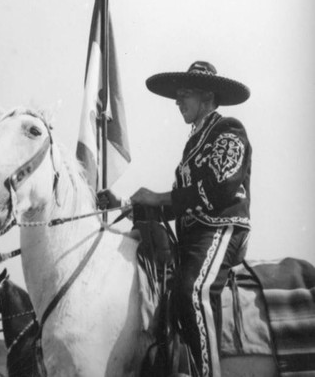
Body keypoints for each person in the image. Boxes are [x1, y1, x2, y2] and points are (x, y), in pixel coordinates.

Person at [100, 60, 252, 377]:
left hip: (222, 230)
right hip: (192, 237)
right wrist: (126, 203)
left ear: (207, 96)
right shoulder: (192, 144)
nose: (177, 101)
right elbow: (178, 203)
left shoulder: (229, 129)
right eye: (177, 95)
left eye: (185, 94)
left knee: (190, 291)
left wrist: (157, 197)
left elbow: (219, 188)